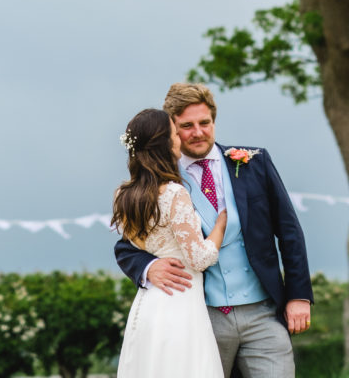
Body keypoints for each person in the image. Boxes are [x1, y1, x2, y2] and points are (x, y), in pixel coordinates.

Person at [115, 83, 313, 378]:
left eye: (204, 123)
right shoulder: (158, 183)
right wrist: (149, 266)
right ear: (172, 128)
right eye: (187, 126)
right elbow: (127, 246)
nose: (198, 132)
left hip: (263, 313)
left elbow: (289, 231)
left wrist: (299, 296)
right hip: (202, 318)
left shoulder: (254, 162)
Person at [112, 107, 228, 378]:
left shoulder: (124, 194)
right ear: (164, 143)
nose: (180, 139)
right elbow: (198, 259)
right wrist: (219, 229)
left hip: (148, 303)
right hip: (180, 300)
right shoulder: (175, 193)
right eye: (175, 133)